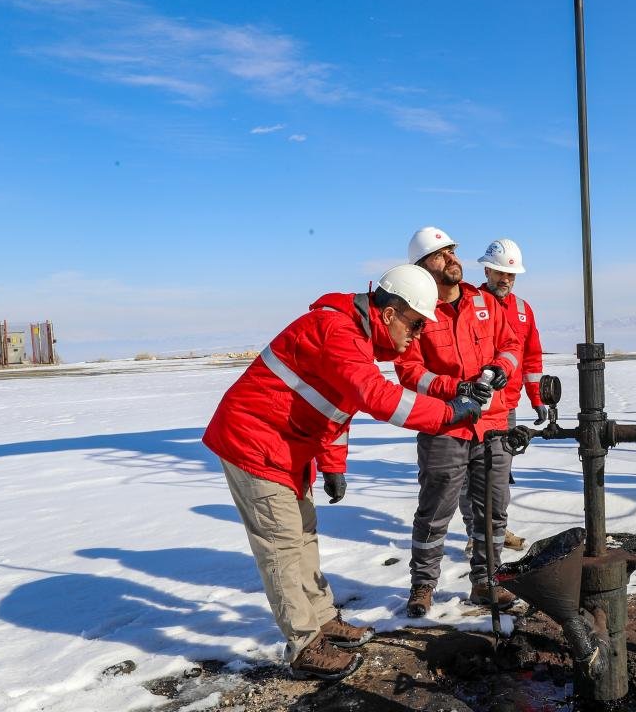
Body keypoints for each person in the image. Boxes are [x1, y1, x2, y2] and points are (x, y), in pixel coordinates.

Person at [202, 264, 483, 681]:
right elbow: (375, 396)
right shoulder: (338, 332)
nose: (418, 334)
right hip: (253, 443)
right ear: (388, 313)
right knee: (281, 545)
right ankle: (303, 643)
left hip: (287, 446)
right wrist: (447, 415)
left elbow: (335, 408)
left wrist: (333, 465)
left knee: (304, 534)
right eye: (416, 323)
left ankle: (321, 618)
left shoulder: (353, 336)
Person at [394, 226, 523, 617]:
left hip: (493, 423)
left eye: (453, 251)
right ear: (422, 266)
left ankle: (487, 581)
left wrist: (501, 367)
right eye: (441, 254)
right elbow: (408, 370)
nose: (452, 259)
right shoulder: (416, 311)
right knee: (435, 510)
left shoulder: (483, 301)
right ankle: (423, 586)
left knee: (493, 510)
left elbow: (512, 344)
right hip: (445, 425)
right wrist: (456, 388)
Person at [460, 238, 545, 553]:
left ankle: (497, 528)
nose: (505, 279)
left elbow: (532, 359)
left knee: (499, 473)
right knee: (471, 475)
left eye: (510, 275)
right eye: (498, 272)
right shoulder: (470, 303)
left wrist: (537, 398)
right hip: (474, 405)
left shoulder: (523, 311)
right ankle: (475, 532)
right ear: (486, 269)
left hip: (506, 407)